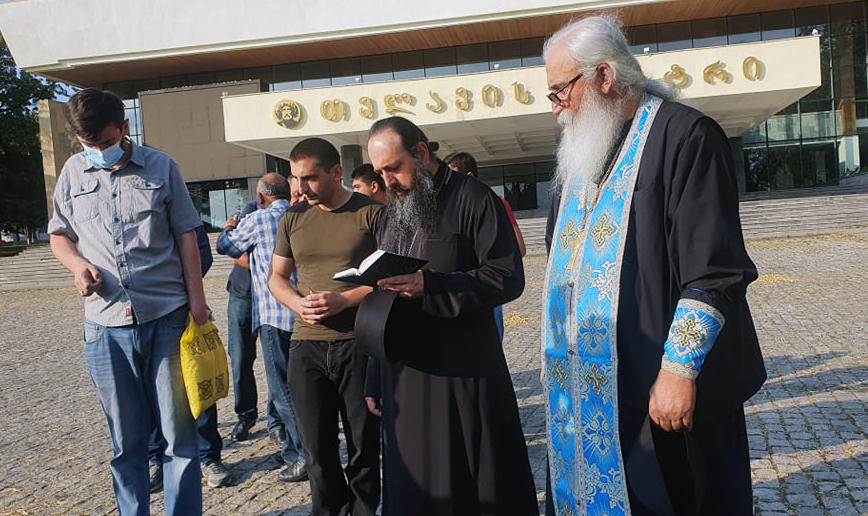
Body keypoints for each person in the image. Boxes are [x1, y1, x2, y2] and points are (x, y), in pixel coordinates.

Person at [540, 16, 766, 515]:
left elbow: (714, 270)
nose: (557, 109)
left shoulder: (685, 137)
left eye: (560, 91)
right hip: (593, 387)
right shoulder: (579, 157)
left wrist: (678, 370)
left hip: (661, 386)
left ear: (603, 77)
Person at [364, 117, 537, 515]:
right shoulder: (393, 214)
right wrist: (375, 373)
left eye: (393, 167)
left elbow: (507, 277)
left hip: (463, 374)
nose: (388, 181)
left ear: (422, 153)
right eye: (380, 173)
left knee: (472, 487)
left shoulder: (475, 199)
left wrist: (433, 287)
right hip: (405, 378)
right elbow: (383, 291)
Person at [47, 88, 207, 515]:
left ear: (124, 128)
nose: (97, 151)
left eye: (103, 141)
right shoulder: (72, 174)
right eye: (88, 145)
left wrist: (198, 303)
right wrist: (77, 265)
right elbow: (59, 235)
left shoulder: (161, 166)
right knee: (126, 440)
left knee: (179, 437)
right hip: (104, 326)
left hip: (167, 317)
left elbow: (186, 236)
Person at [268, 138, 382, 516]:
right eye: (296, 178)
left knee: (364, 448)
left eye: (311, 178)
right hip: (307, 346)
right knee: (317, 451)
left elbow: (390, 279)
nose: (300, 188)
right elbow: (277, 278)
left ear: (337, 172)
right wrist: (297, 302)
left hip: (358, 343)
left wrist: (344, 299)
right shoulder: (293, 218)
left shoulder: (371, 213)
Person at [217, 173, 308, 482]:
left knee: (282, 390)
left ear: (260, 198)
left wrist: (229, 228)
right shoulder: (304, 216)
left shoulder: (257, 219)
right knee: (299, 387)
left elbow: (224, 245)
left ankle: (300, 455)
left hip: (272, 314)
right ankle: (306, 448)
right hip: (302, 314)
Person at [149, 225, 231, 490]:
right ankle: (155, 458)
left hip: (180, 308)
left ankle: (208, 456)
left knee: (197, 382)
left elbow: (201, 253)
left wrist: (178, 281)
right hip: (139, 314)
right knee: (149, 392)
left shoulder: (176, 201)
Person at [444, 151, 527, 341]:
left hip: (484, 289)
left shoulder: (493, 202)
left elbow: (519, 248)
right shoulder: (452, 207)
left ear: (469, 177)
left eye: (452, 175)